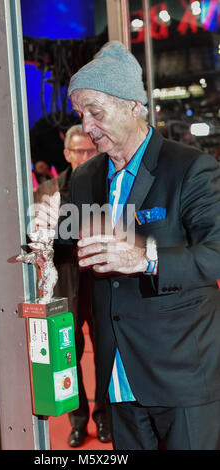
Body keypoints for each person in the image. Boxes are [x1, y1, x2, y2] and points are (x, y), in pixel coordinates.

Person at [35, 41, 220, 450]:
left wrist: (145, 259)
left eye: (96, 112)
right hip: (117, 378)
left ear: (133, 106)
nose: (87, 127)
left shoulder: (190, 169)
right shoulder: (87, 177)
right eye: (82, 114)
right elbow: (71, 234)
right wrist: (49, 228)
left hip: (181, 378)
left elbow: (214, 254)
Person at [34, 124, 112, 447]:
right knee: (70, 357)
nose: (85, 157)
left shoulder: (107, 186)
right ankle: (77, 421)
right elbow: (39, 237)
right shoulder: (49, 190)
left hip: (101, 284)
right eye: (79, 151)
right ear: (66, 154)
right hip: (66, 284)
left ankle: (105, 418)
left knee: (106, 354)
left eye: (90, 151)